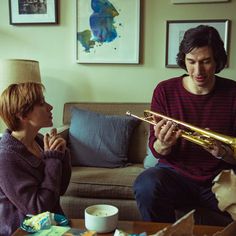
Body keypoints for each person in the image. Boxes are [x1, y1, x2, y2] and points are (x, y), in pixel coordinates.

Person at [133, 25, 236, 225]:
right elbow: (157, 150)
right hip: (175, 176)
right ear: (184, 60)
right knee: (146, 183)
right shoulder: (165, 90)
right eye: (191, 62)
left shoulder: (233, 93)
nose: (198, 71)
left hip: (219, 179)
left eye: (206, 61)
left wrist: (222, 153)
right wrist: (164, 143)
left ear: (217, 61)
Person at [0, 82, 71, 235]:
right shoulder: (5, 157)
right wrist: (53, 160)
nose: (50, 107)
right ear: (23, 115)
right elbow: (37, 210)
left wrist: (61, 155)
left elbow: (60, 189)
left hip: (53, 226)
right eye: (41, 103)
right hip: (24, 231)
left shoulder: (39, 140)